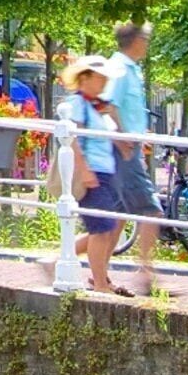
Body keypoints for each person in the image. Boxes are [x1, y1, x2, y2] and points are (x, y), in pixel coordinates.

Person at [63, 57, 132, 295]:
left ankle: (98, 276)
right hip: (93, 173)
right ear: (85, 78)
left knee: (109, 224)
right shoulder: (76, 104)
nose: (105, 82)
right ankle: (100, 283)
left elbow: (109, 135)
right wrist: (84, 170)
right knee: (101, 228)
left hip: (105, 171)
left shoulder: (96, 106)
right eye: (101, 78)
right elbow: (72, 139)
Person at [101, 20, 158, 277]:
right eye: (146, 39)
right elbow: (108, 106)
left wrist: (138, 133)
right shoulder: (120, 70)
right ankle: (146, 274)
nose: (147, 44)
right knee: (150, 208)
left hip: (128, 147)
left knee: (118, 214)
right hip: (123, 150)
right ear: (136, 41)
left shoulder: (130, 69)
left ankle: (97, 272)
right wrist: (122, 139)